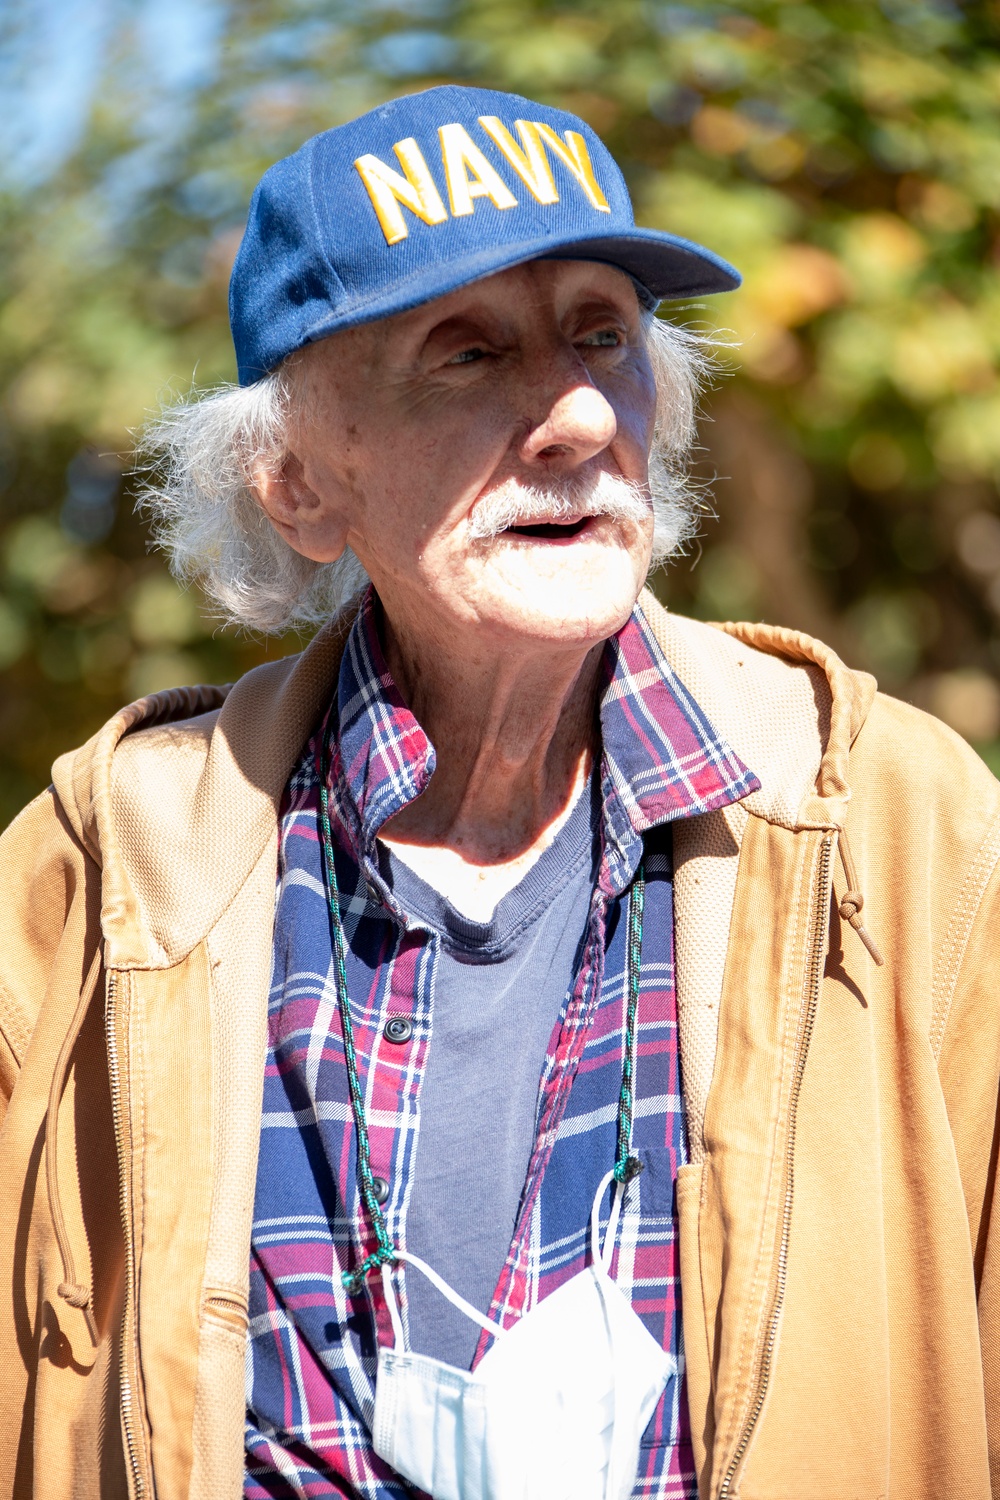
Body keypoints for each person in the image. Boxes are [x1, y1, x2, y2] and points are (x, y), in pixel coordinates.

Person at [0, 82, 997, 1500]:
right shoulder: (95, 874)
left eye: (605, 333)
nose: (580, 413)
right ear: (293, 481)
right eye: (465, 354)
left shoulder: (904, 832)